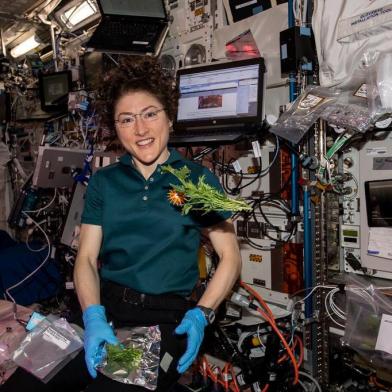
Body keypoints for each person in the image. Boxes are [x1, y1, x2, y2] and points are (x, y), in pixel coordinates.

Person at [1, 56, 241, 392]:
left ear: (169, 117)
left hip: (164, 320)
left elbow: (230, 256)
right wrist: (93, 316)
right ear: (116, 128)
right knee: (24, 384)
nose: (140, 130)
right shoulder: (104, 183)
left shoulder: (197, 180)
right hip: (103, 310)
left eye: (150, 114)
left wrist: (202, 312)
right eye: (126, 120)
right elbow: (85, 259)